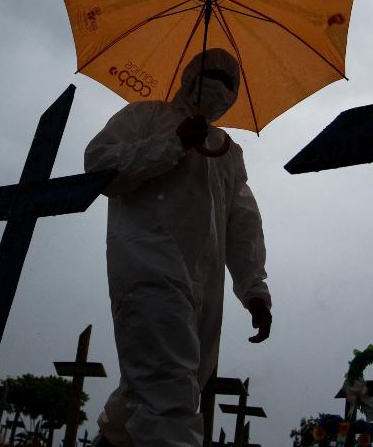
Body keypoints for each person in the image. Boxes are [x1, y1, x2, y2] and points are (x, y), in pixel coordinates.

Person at [85, 48, 272, 447]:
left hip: (205, 287)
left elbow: (242, 222)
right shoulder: (143, 118)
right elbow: (100, 167)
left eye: (229, 84)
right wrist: (172, 143)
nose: (219, 89)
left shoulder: (228, 151)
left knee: (160, 385)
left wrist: (254, 289)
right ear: (188, 76)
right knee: (168, 388)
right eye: (211, 76)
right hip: (147, 266)